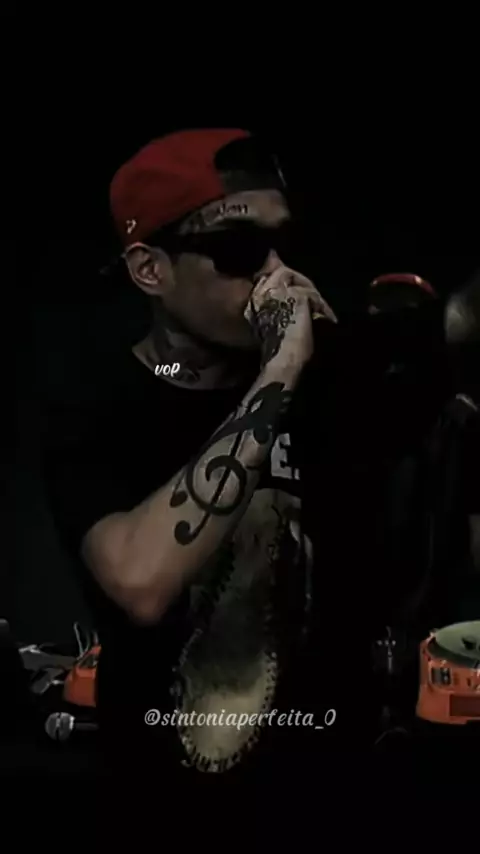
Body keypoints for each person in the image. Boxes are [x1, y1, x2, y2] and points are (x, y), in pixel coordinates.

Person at [41, 129, 340, 820]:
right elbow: (139, 580)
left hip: (319, 796)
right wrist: (280, 368)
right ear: (150, 270)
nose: (273, 273)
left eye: (281, 244)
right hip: (163, 809)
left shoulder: (323, 383)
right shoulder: (94, 402)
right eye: (238, 251)